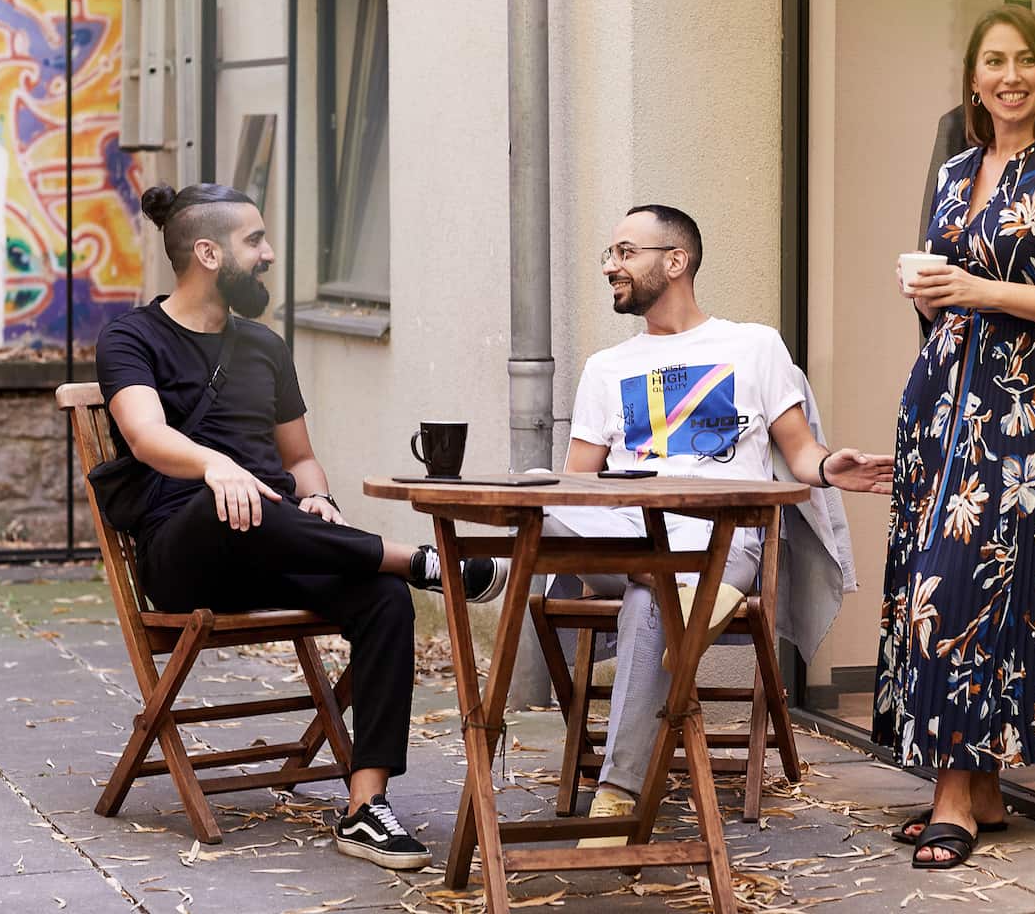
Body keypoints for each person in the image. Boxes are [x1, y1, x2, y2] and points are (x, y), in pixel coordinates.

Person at [95, 182, 508, 871]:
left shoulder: (263, 346)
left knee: (381, 600)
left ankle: (366, 806)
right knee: (234, 503)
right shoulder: (132, 337)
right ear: (208, 252)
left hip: (279, 539)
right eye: (254, 241)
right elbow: (143, 435)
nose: (268, 254)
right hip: (186, 550)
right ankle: (420, 559)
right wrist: (215, 467)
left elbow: (301, 458)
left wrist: (321, 503)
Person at [554, 203, 893, 847]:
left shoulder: (752, 345)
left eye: (625, 252)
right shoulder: (604, 367)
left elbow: (798, 454)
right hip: (625, 535)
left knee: (651, 596)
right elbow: (578, 486)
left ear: (674, 262)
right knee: (581, 533)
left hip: (716, 539)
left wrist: (829, 467)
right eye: (610, 254)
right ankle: (498, 570)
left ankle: (619, 794)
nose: (610, 266)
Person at [873, 5, 1035, 871]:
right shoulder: (954, 171)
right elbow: (947, 289)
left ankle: (952, 798)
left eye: (1024, 61)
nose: (1008, 76)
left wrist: (979, 289)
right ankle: (983, 790)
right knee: (928, 580)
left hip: (1019, 416)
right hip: (940, 401)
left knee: (966, 588)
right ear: (974, 80)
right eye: (993, 62)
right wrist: (933, 293)